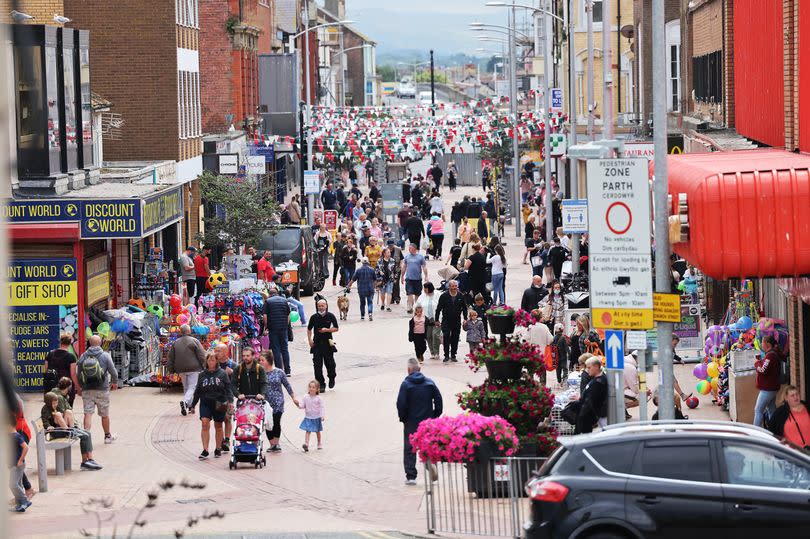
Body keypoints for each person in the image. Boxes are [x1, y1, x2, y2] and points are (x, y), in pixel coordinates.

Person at [396, 358, 443, 485]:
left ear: (408, 370)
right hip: (428, 420)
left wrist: (403, 418)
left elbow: (401, 403)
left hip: (411, 421)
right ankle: (431, 464)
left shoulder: (406, 384)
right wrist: (435, 415)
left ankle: (411, 476)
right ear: (419, 369)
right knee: (428, 444)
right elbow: (439, 400)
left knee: (410, 447)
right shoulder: (430, 383)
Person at [41, 388, 101, 471]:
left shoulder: (56, 407)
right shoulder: (45, 410)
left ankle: (89, 460)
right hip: (55, 432)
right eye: (53, 403)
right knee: (58, 414)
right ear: (48, 403)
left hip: (62, 429)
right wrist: (48, 426)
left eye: (56, 402)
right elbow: (45, 421)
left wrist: (65, 416)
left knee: (86, 434)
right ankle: (71, 432)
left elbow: (64, 414)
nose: (55, 404)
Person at [191, 352, 232, 459]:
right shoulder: (202, 375)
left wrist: (230, 402)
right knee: (205, 423)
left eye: (213, 360)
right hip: (206, 402)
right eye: (209, 360)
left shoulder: (223, 373)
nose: (211, 362)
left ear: (217, 362)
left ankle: (218, 448)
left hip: (220, 402)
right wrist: (193, 405)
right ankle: (205, 450)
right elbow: (197, 391)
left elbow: (228, 389)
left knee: (218, 426)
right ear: (206, 362)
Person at [77, 335, 117, 444]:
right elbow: (113, 371)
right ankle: (107, 437)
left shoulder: (83, 356)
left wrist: (80, 386)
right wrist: (114, 382)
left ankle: (86, 438)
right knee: (104, 415)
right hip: (102, 389)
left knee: (88, 413)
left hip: (87, 389)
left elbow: (78, 373)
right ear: (100, 343)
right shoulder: (105, 355)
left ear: (89, 343)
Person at [258, 350, 298, 453]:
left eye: (262, 360)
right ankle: (272, 444)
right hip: (266, 402)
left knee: (276, 421)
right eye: (260, 360)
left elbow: (287, 385)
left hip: (278, 401)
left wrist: (293, 397)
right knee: (268, 423)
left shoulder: (279, 372)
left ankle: (276, 443)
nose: (260, 362)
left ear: (269, 360)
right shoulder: (260, 373)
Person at [168, 324, 206, 416]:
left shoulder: (175, 342)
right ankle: (185, 402)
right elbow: (201, 355)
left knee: (186, 387)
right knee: (192, 387)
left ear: (180, 332)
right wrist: (204, 366)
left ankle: (189, 406)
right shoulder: (195, 341)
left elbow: (171, 358)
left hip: (180, 369)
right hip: (194, 368)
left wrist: (171, 371)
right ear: (189, 331)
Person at [307, 299, 339, 392]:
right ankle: (321, 384)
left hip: (328, 343)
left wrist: (327, 330)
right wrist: (309, 340)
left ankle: (332, 378)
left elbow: (336, 328)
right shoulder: (314, 317)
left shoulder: (330, 316)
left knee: (330, 364)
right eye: (319, 306)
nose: (321, 307)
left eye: (322, 306)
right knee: (317, 366)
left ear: (326, 306)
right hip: (316, 344)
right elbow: (309, 329)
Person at [435, 280, 468, 362]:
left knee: (455, 337)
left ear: (457, 287)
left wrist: (465, 318)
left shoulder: (460, 295)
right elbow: (438, 308)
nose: (454, 288)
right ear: (449, 287)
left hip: (456, 320)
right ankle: (446, 355)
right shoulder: (444, 296)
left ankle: (453, 354)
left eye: (455, 286)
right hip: (446, 320)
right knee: (446, 336)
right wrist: (436, 319)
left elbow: (464, 308)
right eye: (452, 286)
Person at [754, 335, 782, 428]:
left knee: (758, 410)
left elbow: (762, 369)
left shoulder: (770, 355)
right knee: (771, 409)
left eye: (762, 342)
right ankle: (774, 430)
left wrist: (757, 363)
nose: (761, 344)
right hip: (772, 387)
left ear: (768, 344)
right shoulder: (771, 354)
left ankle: (755, 433)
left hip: (768, 389)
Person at [575, 357, 608, 434]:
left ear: (596, 367)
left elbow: (592, 399)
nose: (587, 370)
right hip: (597, 413)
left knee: (606, 433)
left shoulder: (600, 381)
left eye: (589, 367)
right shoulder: (596, 379)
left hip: (600, 413)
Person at [263, 287, 292, 375]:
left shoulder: (267, 302)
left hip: (273, 328)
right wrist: (286, 326)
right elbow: (288, 315)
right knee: (284, 349)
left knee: (276, 349)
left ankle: (279, 370)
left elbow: (265, 316)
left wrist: (266, 327)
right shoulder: (284, 301)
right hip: (283, 328)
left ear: (270, 294)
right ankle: (288, 371)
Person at [43, 334, 79, 405]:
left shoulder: (50, 354)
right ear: (70, 343)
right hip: (65, 386)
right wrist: (77, 386)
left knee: (53, 409)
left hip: (51, 386)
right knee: (67, 409)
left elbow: (45, 370)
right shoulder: (71, 357)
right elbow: (73, 374)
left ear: (60, 342)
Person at [9, 414, 31, 512]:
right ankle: (20, 505)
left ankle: (24, 501)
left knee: (13, 484)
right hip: (13, 465)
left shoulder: (16, 436)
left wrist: (21, 460)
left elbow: (26, 447)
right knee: (18, 484)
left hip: (18, 465)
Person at [416, 282, 441, 361]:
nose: (424, 290)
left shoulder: (438, 294)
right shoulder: (422, 296)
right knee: (428, 336)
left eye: (426, 288)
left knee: (435, 335)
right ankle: (432, 352)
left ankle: (437, 352)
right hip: (426, 319)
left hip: (436, 318)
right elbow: (417, 305)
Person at [298, 380, 325, 452]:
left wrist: (322, 416)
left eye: (313, 387)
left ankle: (319, 443)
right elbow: (302, 405)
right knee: (308, 431)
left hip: (316, 417)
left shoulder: (319, 398)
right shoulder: (305, 397)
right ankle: (306, 444)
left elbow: (322, 407)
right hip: (308, 417)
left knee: (317, 431)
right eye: (310, 387)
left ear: (317, 389)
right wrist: (298, 405)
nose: (311, 389)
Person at [401, 243, 428, 314]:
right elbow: (404, 267)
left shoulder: (420, 257)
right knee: (409, 293)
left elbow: (424, 267)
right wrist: (402, 276)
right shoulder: (407, 257)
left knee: (417, 294)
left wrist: (426, 276)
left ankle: (416, 307)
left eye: (411, 248)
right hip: (409, 278)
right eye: (409, 248)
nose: (409, 250)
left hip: (417, 279)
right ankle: (409, 307)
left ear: (415, 249)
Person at [348, 256, 377, 321]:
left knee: (362, 303)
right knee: (370, 302)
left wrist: (348, 285)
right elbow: (375, 280)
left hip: (361, 289)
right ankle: (370, 314)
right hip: (370, 289)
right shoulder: (372, 270)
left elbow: (353, 279)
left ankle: (362, 316)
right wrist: (374, 287)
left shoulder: (358, 270)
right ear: (368, 262)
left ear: (362, 262)